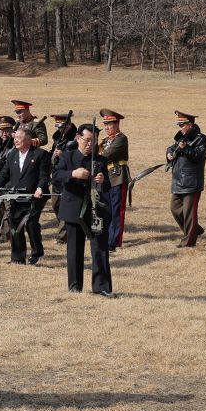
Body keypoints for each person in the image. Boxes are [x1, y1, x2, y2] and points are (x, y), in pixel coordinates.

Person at [52, 124, 113, 296]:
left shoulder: (101, 160)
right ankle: (74, 286)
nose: (89, 144)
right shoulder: (67, 157)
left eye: (93, 141)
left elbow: (108, 186)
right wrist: (73, 174)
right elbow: (56, 177)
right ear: (78, 138)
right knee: (74, 250)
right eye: (86, 140)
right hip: (74, 209)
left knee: (100, 249)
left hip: (96, 210)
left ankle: (101, 287)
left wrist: (102, 181)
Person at [0, 126, 50, 264]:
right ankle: (17, 258)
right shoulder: (11, 155)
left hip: (35, 196)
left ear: (28, 140)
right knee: (15, 225)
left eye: (19, 138)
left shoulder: (40, 154)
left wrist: (40, 188)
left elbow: (44, 175)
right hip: (16, 196)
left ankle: (37, 252)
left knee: (30, 223)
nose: (16, 140)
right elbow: (4, 174)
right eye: (15, 138)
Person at [166, 111, 206, 248]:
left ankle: (189, 242)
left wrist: (185, 149)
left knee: (189, 213)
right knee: (175, 208)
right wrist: (168, 154)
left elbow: (199, 156)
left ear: (190, 125)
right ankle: (194, 230)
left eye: (182, 124)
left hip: (191, 181)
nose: (180, 127)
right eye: (179, 125)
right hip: (178, 180)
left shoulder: (201, 138)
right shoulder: (181, 138)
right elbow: (172, 148)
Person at [98, 109, 130, 252]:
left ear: (117, 124)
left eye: (109, 124)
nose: (106, 127)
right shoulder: (105, 140)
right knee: (106, 210)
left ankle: (114, 241)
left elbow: (106, 155)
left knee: (117, 211)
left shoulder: (121, 139)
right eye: (105, 124)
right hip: (106, 179)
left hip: (117, 177)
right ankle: (107, 237)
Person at [49, 113, 78, 244]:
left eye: (62, 126)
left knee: (65, 205)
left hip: (68, 174)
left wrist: (63, 155)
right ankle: (66, 226)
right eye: (58, 127)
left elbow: (78, 156)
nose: (60, 129)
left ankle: (63, 236)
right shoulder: (57, 138)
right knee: (55, 204)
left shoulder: (76, 138)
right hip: (56, 174)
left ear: (69, 125)